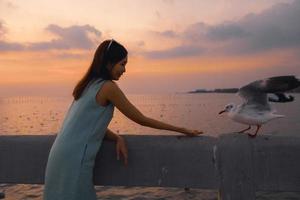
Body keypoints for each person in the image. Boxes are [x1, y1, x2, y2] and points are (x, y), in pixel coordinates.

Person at [43, 39, 203, 200]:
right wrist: (183, 130)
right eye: (122, 64)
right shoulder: (108, 87)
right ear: (109, 63)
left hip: (58, 156)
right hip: (75, 160)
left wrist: (117, 137)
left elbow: (88, 126)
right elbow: (141, 119)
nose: (125, 70)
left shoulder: (87, 85)